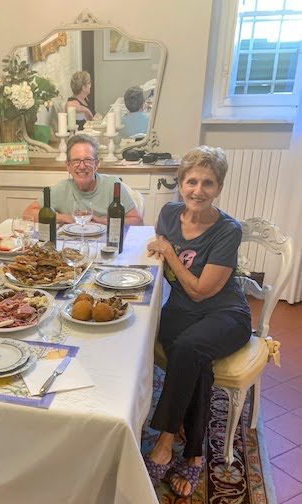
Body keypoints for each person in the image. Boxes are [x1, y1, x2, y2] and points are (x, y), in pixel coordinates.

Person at [144, 146, 251, 497]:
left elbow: (200, 292)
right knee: (194, 360)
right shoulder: (169, 214)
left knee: (189, 348)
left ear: (219, 187)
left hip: (224, 313)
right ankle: (194, 456)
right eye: (191, 181)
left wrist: (170, 252)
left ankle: (166, 441)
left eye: (208, 183)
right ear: (180, 183)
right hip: (182, 312)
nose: (198, 191)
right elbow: (155, 255)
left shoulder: (227, 230)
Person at [23, 134, 143, 225]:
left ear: (97, 164)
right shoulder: (62, 189)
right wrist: (66, 218)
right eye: (76, 161)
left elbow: (137, 221)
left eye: (88, 160)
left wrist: (99, 221)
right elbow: (28, 213)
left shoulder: (113, 185)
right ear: (68, 166)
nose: (81, 166)